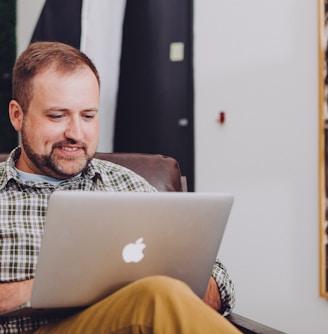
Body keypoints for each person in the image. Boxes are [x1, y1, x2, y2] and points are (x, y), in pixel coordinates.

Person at [0, 41, 240, 333]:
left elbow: (219, 280)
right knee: (156, 298)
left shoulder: (126, 185)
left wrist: (155, 283)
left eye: (88, 116)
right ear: (17, 115)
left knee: (159, 294)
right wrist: (45, 288)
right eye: (57, 116)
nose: (76, 133)